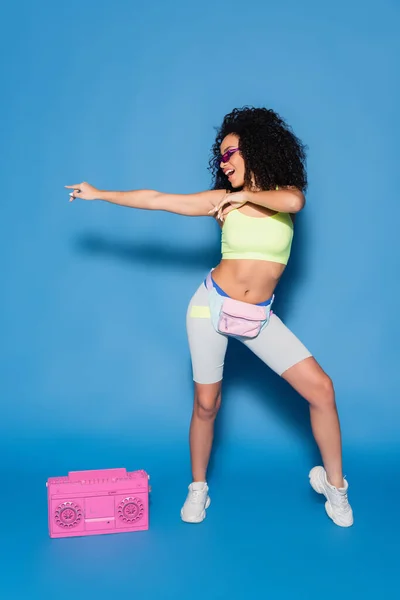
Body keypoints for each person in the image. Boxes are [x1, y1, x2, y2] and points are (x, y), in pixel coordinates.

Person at [66, 106, 353, 528]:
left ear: (255, 150)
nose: (224, 163)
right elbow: (158, 200)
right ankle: (198, 487)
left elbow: (295, 199)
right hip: (210, 307)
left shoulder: (281, 197)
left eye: (231, 152)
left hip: (257, 318)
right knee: (206, 404)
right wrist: (101, 193)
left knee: (322, 390)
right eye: (220, 156)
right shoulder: (222, 202)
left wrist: (246, 195)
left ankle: (335, 487)